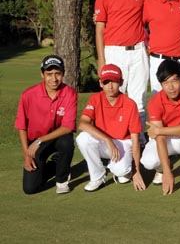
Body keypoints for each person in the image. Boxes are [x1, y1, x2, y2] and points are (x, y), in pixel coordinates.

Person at [94, 0, 150, 132]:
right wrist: (101, 59)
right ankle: (114, 137)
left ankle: (139, 140)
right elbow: (99, 29)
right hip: (114, 52)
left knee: (138, 99)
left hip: (138, 50)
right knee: (113, 97)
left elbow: (156, 10)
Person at [76, 64, 146, 192]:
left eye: (114, 81)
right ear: (101, 83)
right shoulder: (95, 99)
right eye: (106, 82)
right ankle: (98, 176)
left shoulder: (130, 104)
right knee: (82, 138)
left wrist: (136, 170)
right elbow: (82, 124)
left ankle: (118, 168)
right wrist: (107, 140)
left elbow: (135, 140)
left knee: (122, 172)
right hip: (105, 142)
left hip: (123, 143)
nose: (110, 86)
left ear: (121, 82)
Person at [14, 55, 77, 194]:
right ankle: (56, 163)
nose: (54, 79)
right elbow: (21, 126)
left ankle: (61, 180)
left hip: (56, 138)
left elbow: (67, 127)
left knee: (67, 141)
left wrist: (40, 140)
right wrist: (27, 155)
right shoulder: (28, 95)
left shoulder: (70, 94)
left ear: (63, 73)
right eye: (49, 74)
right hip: (35, 143)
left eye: (57, 74)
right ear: (42, 74)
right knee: (30, 188)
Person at [141, 59, 180, 194]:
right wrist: (167, 171)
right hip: (167, 139)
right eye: (165, 83)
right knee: (148, 161)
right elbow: (160, 138)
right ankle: (161, 170)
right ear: (161, 84)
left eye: (174, 81)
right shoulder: (155, 102)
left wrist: (158, 130)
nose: (170, 87)